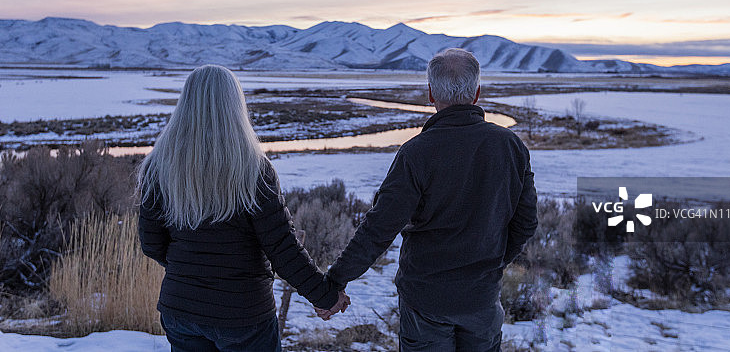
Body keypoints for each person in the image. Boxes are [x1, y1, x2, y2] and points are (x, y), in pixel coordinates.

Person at [322, 48, 538, 351]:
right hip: (482, 300)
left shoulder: (416, 153)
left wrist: (334, 282)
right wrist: (494, 263)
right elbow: (526, 222)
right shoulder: (510, 146)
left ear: (431, 93)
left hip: (425, 301)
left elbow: (379, 229)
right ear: (477, 93)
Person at [137, 64, 349, 352]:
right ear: (235, 106)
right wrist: (325, 297)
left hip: (182, 312)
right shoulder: (254, 170)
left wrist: (190, 269)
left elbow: (151, 244)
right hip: (244, 316)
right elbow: (282, 249)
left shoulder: (159, 168)